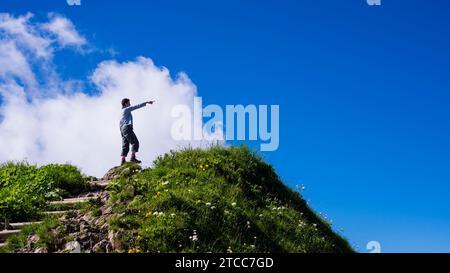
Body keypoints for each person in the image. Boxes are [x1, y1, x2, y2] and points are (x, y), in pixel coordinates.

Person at [120, 98, 154, 165]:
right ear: (126, 103)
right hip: (127, 127)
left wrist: (122, 132)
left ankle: (123, 160)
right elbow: (136, 106)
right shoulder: (126, 109)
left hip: (122, 129)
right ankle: (133, 158)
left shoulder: (121, 112)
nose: (130, 104)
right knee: (135, 142)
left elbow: (120, 123)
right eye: (129, 103)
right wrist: (146, 102)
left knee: (125, 145)